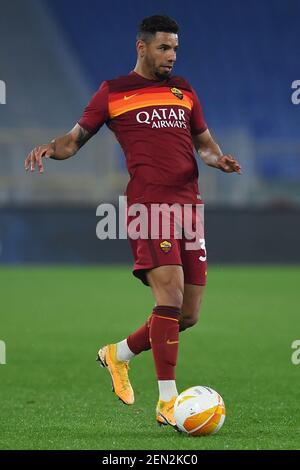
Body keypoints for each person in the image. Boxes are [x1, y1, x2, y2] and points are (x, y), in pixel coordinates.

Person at [25, 14, 241, 428]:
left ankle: (118, 354)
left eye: (175, 48)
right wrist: (49, 149)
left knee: (189, 314)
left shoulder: (185, 90)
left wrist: (220, 161)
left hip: (189, 207)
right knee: (171, 295)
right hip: (148, 205)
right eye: (163, 48)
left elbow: (206, 146)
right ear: (141, 47)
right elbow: (73, 141)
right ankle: (167, 402)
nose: (171, 56)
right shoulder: (114, 92)